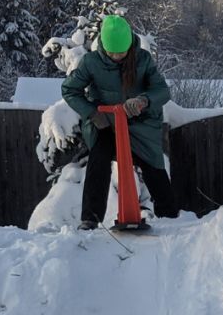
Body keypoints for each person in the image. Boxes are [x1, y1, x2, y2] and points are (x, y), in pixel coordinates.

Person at [61, 15, 178, 230]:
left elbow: (162, 91)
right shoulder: (91, 62)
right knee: (99, 158)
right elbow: (70, 90)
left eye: (121, 52)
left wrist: (144, 100)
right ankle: (90, 218)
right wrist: (92, 113)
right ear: (104, 46)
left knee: (153, 163)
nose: (116, 56)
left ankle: (169, 217)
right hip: (105, 123)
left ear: (129, 45)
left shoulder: (142, 60)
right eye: (112, 52)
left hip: (139, 123)